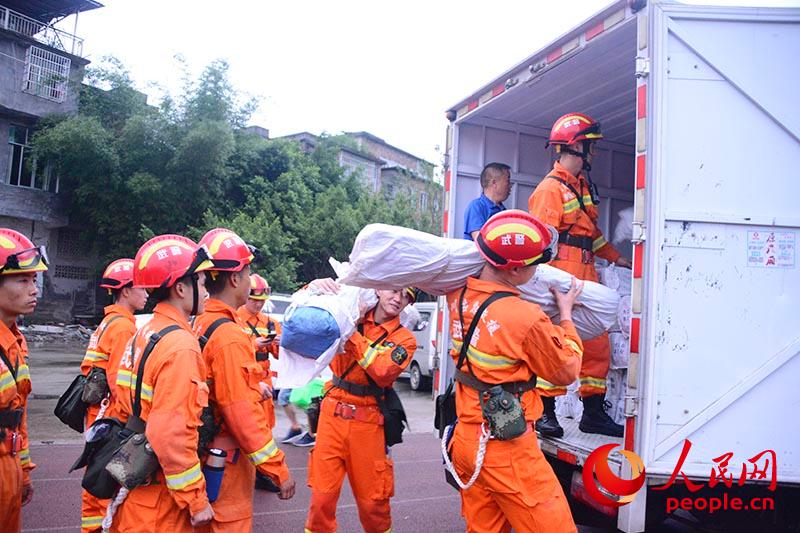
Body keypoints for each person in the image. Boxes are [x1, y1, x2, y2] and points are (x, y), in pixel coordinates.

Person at [447, 210, 582, 533]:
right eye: (536, 264)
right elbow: (567, 370)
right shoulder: (525, 317)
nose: (538, 270)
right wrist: (566, 317)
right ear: (518, 269)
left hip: (466, 438)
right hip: (506, 449)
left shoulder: (457, 296)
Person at [528, 112, 631, 438]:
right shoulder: (550, 190)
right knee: (555, 341)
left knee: (598, 342)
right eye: (591, 146)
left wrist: (618, 258)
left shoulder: (582, 186)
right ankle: (545, 414)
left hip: (586, 269)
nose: (595, 153)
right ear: (575, 147)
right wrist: (546, 283)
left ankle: (593, 414)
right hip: (562, 271)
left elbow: (592, 234)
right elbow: (541, 241)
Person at [109, 234, 215, 532]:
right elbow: (171, 435)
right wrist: (195, 500)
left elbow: (121, 395)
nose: (207, 291)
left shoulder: (144, 332)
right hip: (161, 501)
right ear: (181, 288)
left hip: (137, 483)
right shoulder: (181, 346)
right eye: (202, 283)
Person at [194, 228, 295, 532]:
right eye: (248, 270)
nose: (251, 279)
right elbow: (241, 414)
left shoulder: (203, 321)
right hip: (226, 461)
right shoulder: (228, 335)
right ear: (235, 278)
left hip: (207, 452)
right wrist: (278, 469)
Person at [303, 282, 418, 533]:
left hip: (369, 424)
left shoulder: (404, 339)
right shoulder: (348, 308)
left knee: (373, 505)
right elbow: (309, 313)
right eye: (394, 290)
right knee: (321, 501)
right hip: (331, 416)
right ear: (378, 289)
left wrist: (350, 330)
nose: (398, 298)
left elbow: (382, 372)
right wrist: (315, 287)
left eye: (406, 296)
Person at [78, 258, 146, 533]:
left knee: (95, 484)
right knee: (102, 488)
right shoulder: (122, 328)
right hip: (111, 415)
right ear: (125, 290)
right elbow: (121, 383)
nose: (147, 293)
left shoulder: (110, 322)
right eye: (141, 287)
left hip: (98, 414)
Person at [0, 229, 47, 533]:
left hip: (10, 466)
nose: (34, 290)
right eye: (22, 280)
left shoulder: (17, 342)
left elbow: (19, 415)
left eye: (34, 280)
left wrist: (24, 472)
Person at [235, 273, 287, 491]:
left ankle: (261, 472)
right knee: (245, 426)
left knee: (265, 426)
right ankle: (244, 471)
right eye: (254, 300)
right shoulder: (235, 318)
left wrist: (277, 343)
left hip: (265, 377)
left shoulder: (270, 323)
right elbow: (233, 349)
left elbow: (279, 355)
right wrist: (254, 343)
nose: (257, 304)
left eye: (261, 301)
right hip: (245, 378)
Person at [463, 162, 512, 240]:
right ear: (494, 183)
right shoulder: (476, 207)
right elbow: (481, 242)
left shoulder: (503, 211)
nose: (510, 185)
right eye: (508, 181)